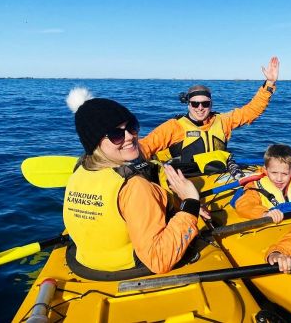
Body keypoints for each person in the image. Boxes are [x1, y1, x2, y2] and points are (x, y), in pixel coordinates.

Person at [62, 87, 202, 279]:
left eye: (132, 126)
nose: (130, 136)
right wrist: (191, 203)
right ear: (95, 142)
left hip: (86, 264)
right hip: (130, 269)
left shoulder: (79, 171)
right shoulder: (133, 186)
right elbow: (159, 259)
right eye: (116, 134)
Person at [140, 57, 280, 176]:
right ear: (188, 104)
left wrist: (269, 84)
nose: (200, 108)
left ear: (211, 104)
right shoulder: (174, 127)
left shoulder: (223, 121)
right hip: (188, 181)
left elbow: (251, 111)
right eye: (195, 104)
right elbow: (145, 146)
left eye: (205, 103)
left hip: (218, 176)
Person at [234, 144, 291, 223]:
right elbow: (245, 206)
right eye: (274, 173)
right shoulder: (255, 187)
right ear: (266, 169)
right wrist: (265, 214)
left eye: (285, 174)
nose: (279, 179)